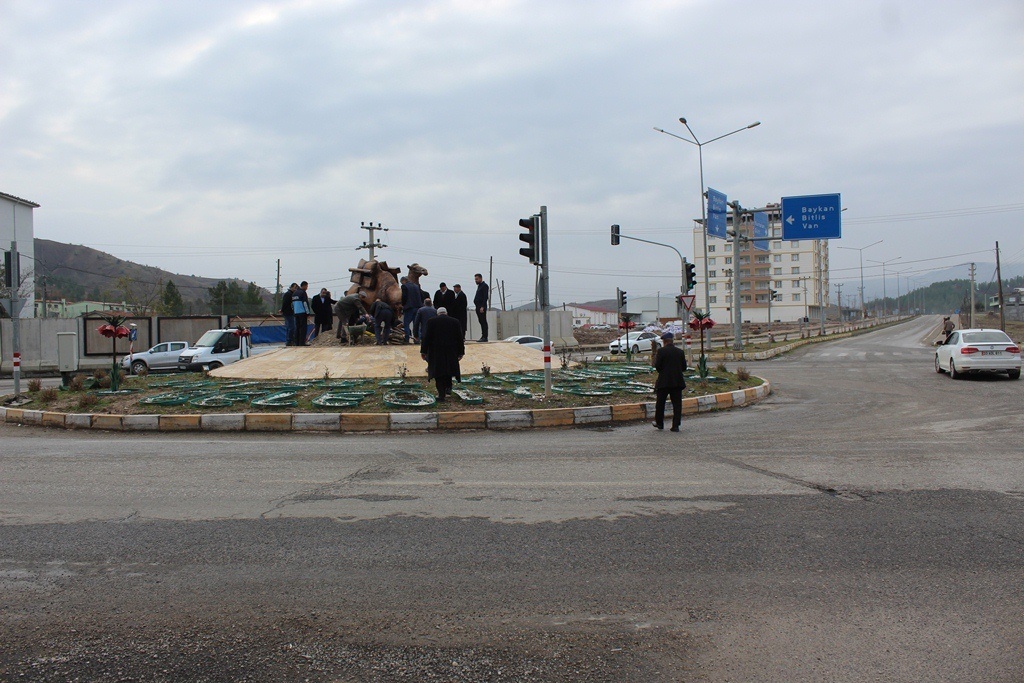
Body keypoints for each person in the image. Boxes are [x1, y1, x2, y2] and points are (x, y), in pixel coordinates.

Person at [420, 307, 465, 401]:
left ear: (437, 313)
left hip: (436, 351)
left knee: (438, 373)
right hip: (451, 351)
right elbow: (460, 338)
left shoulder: (431, 322)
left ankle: (441, 394)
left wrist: (423, 351)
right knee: (449, 370)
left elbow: (426, 337)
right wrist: (461, 352)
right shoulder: (455, 321)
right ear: (446, 313)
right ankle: (448, 388)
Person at [653, 331, 687, 432]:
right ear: (672, 341)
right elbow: (684, 367)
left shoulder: (661, 351)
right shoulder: (680, 352)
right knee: (677, 404)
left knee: (660, 403)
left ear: (664, 342)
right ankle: (675, 425)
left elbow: (658, 366)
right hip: (677, 382)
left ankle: (659, 423)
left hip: (664, 382)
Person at [401, 276, 424, 344]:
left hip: (409, 307)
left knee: (406, 324)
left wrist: (403, 305)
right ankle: (417, 339)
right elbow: (422, 296)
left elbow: (404, 297)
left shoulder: (404, 286)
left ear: (403, 281)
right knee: (416, 324)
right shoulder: (416, 286)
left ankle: (407, 339)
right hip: (418, 307)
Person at [291, 281, 311, 346]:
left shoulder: (294, 293)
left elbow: (292, 304)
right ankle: (302, 342)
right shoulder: (303, 293)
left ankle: (297, 342)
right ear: (304, 286)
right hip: (302, 313)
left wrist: (294, 312)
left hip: (296, 313)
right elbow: (305, 303)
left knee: (297, 328)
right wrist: (308, 313)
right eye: (307, 286)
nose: (307, 288)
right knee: (303, 328)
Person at [473, 273, 489, 342]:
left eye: (477, 279)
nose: (476, 281)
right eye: (475, 279)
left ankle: (485, 337)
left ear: (480, 278)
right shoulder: (479, 286)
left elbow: (485, 297)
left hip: (481, 307)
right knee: (481, 321)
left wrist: (482, 306)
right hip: (478, 306)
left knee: (483, 321)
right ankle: (483, 336)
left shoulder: (484, 286)